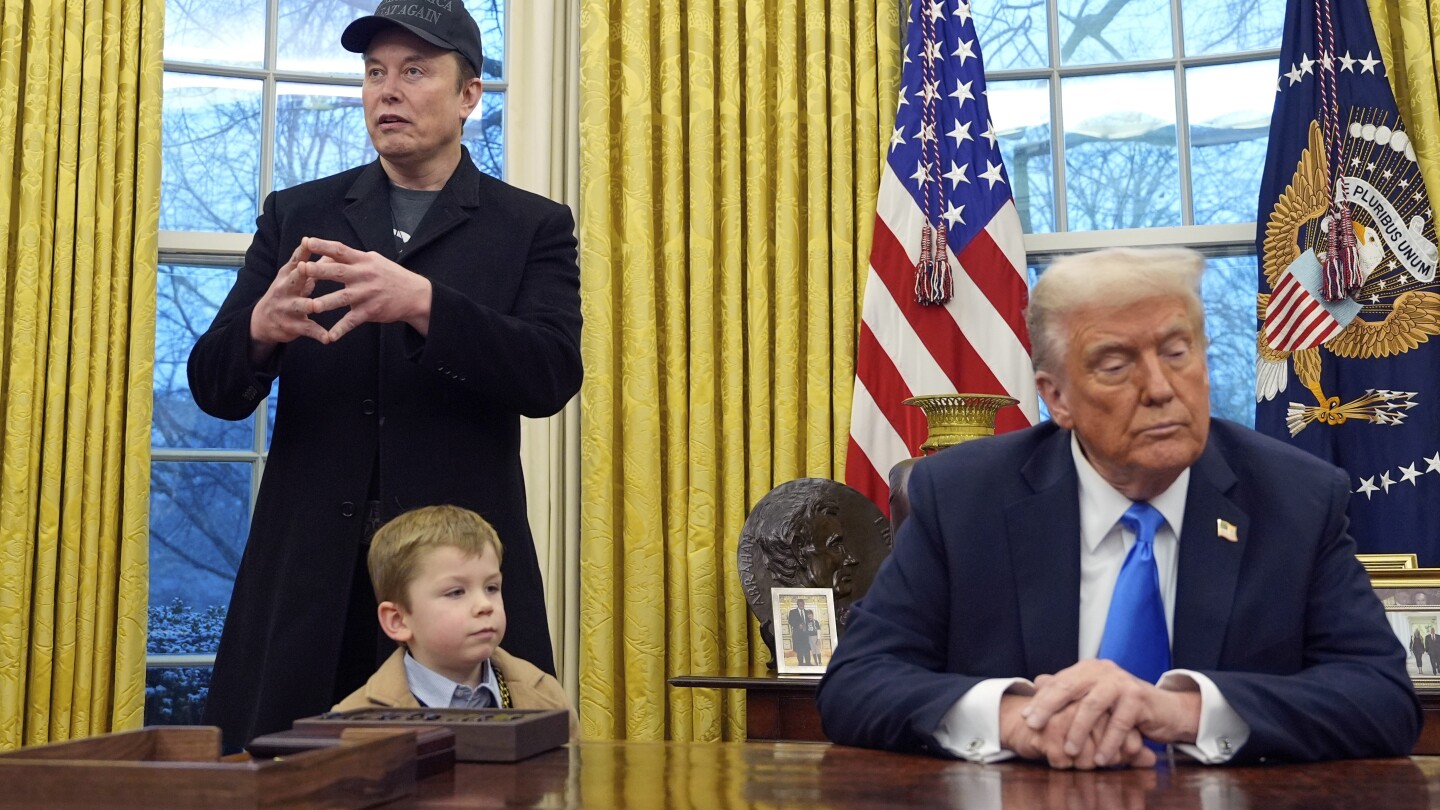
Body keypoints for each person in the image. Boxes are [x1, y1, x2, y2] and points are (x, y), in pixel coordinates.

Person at [816, 247, 1421, 768]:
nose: (1160, 388)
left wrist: (1181, 711)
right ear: (1057, 397)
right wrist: (1018, 719)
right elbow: (857, 682)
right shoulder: (962, 497)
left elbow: (1382, 698)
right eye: (1115, 365)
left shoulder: (1297, 498)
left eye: (1178, 352)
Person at [188, 0, 582, 751]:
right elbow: (213, 386)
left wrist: (425, 304)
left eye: (414, 71)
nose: (387, 91)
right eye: (374, 73)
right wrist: (259, 332)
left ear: (469, 95)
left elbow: (551, 374)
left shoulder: (531, 225)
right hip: (308, 575)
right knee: (285, 781)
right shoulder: (297, 214)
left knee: (475, 783)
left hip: (453, 579)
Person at [332, 505, 577, 739]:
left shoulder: (546, 697)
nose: (484, 605)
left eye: (492, 587)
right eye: (456, 592)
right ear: (398, 621)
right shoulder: (352, 723)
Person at [790, 598, 813, 666]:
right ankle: (801, 663)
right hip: (798, 635)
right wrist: (798, 625)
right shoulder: (792, 612)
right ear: (797, 604)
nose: (801, 605)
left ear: (804, 604)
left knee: (807, 649)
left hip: (806, 634)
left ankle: (808, 662)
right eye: (800, 604)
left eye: (802, 604)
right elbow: (790, 621)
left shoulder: (807, 612)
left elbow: (811, 621)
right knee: (799, 649)